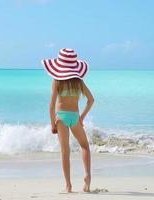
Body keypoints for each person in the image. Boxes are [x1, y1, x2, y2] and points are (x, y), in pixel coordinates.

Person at [41, 48, 94, 193]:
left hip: (61, 118)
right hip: (74, 117)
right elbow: (91, 100)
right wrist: (81, 117)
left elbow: (51, 106)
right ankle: (88, 177)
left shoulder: (57, 81)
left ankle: (68, 185)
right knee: (85, 147)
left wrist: (53, 124)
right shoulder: (79, 82)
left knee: (65, 151)